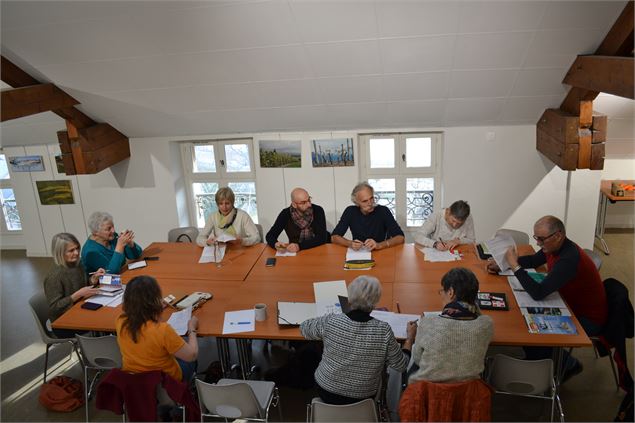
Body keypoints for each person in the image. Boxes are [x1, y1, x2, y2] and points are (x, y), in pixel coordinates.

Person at [487, 215, 608, 381]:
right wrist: (504, 263)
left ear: (558, 235)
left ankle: (565, 365)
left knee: (530, 328)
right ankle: (544, 361)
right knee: (525, 322)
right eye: (536, 238)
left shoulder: (569, 259)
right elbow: (533, 260)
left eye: (541, 239)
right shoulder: (554, 247)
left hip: (585, 318)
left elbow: (538, 292)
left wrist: (514, 266)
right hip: (567, 303)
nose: (538, 243)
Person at [300, 275, 415, 404]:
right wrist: (409, 340)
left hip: (326, 389)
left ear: (349, 298)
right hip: (362, 398)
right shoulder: (383, 331)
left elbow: (304, 329)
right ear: (376, 302)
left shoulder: (332, 321)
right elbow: (401, 365)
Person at [408, 267, 493, 384]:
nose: (441, 294)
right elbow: (477, 314)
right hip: (467, 394)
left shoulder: (428, 322)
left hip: (427, 392)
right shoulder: (486, 324)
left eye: (442, 290)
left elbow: (418, 359)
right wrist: (470, 302)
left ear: (451, 292)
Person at [116, 275, 199, 382]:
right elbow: (192, 355)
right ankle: (187, 391)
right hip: (165, 383)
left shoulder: (120, 321)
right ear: (154, 300)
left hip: (134, 379)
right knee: (191, 361)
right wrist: (192, 329)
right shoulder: (162, 330)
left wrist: (154, 309)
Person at [44, 233, 106, 337]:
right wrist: (76, 296)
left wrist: (93, 279)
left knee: (105, 315)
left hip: (80, 309)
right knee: (102, 321)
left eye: (77, 248)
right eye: (71, 250)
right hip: (63, 323)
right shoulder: (54, 276)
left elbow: (82, 286)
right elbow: (54, 308)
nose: (77, 253)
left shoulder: (78, 264)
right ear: (60, 252)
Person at [331, 182, 404, 251]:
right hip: (359, 252)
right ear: (357, 203)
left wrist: (379, 245)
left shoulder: (383, 211)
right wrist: (350, 243)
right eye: (365, 201)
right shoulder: (350, 211)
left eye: (371, 198)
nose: (370, 203)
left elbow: (400, 238)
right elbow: (334, 237)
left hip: (380, 251)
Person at [265, 187, 329, 252]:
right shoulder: (285, 214)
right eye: (303, 202)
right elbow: (270, 235)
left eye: (309, 200)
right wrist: (275, 244)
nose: (309, 204)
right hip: (296, 252)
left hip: (318, 249)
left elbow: (322, 238)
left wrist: (299, 246)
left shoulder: (318, 210)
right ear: (294, 205)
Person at [196, 187, 260, 247]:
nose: (224, 207)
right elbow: (199, 238)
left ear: (232, 203)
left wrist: (242, 241)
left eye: (227, 203)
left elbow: (257, 238)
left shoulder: (243, 215)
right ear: (217, 204)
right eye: (221, 204)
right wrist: (207, 242)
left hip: (240, 251)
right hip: (221, 252)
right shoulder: (213, 217)